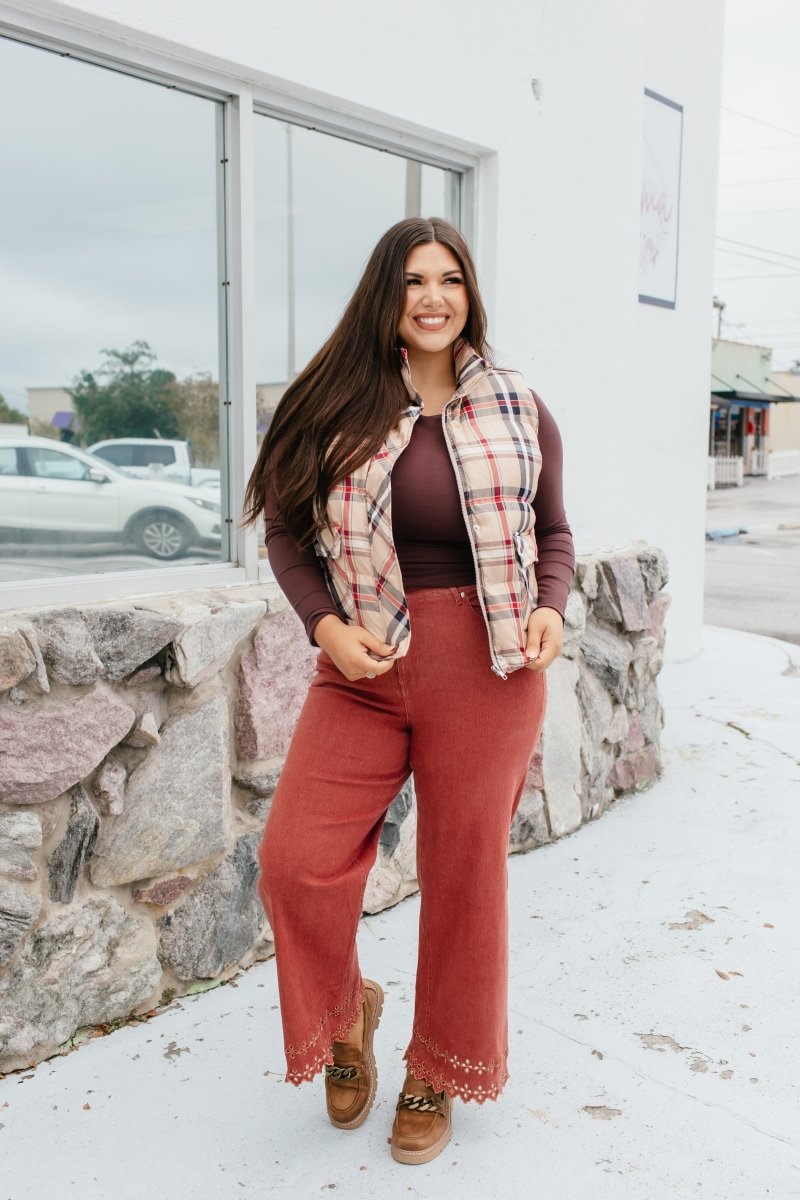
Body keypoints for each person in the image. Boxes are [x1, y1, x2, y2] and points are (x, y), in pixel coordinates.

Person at [242, 216, 575, 1165]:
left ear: (470, 294)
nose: (434, 298)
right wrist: (326, 627)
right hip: (364, 666)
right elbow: (283, 531)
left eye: (451, 279)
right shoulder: (333, 402)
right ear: (385, 296)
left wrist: (550, 605)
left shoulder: (518, 405)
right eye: (414, 281)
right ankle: (349, 1014)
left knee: (465, 875)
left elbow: (554, 530)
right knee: (295, 861)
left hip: (488, 664)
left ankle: (440, 1067)